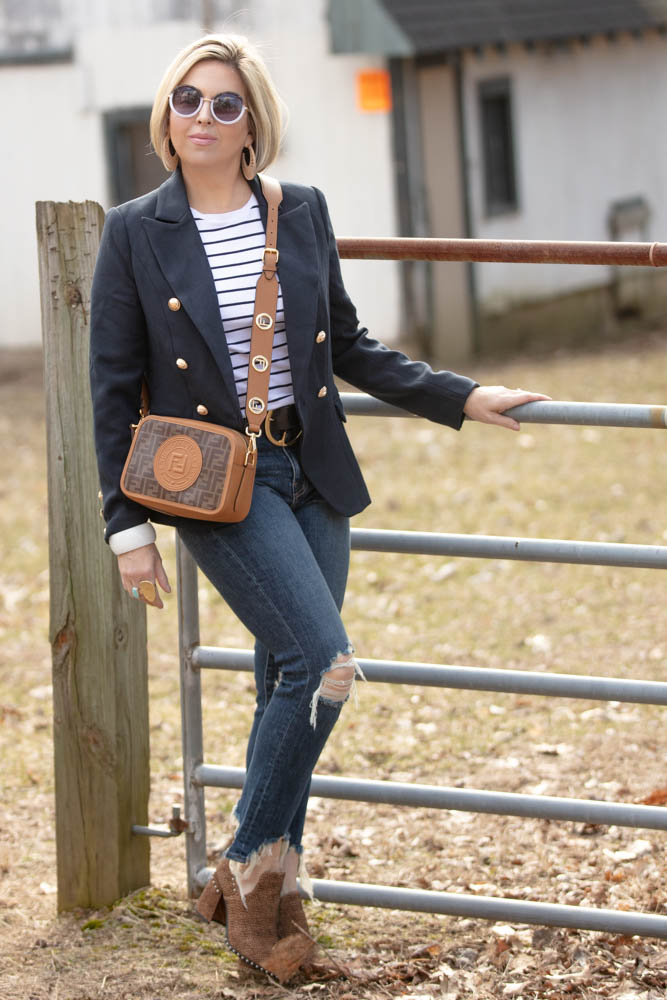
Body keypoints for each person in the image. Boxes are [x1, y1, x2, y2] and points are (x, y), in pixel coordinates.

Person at [89, 33, 548, 983]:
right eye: (186, 100)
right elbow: (111, 384)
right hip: (220, 489)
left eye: (225, 103)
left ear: (254, 119)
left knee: (281, 687)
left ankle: (267, 899)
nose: (203, 118)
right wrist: (126, 529)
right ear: (164, 116)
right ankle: (252, 870)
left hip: (312, 475)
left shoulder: (299, 215)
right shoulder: (136, 229)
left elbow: (349, 342)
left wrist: (459, 395)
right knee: (324, 666)